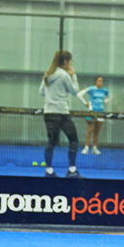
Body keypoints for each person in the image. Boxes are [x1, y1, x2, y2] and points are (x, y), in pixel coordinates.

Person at [39, 50, 81, 178]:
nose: (71, 63)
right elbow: (74, 91)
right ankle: (72, 170)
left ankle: (49, 171)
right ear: (65, 62)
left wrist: (53, 94)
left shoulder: (48, 74)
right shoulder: (64, 75)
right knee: (73, 140)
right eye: (70, 61)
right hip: (62, 114)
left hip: (49, 113)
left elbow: (41, 92)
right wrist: (73, 76)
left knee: (51, 142)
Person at [78, 76, 110, 155]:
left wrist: (105, 101)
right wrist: (86, 103)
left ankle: (94, 148)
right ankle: (86, 147)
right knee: (90, 130)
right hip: (92, 112)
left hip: (100, 112)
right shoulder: (91, 89)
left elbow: (109, 97)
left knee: (97, 131)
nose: (100, 82)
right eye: (99, 81)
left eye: (102, 81)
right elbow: (79, 94)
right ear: (95, 81)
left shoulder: (104, 90)